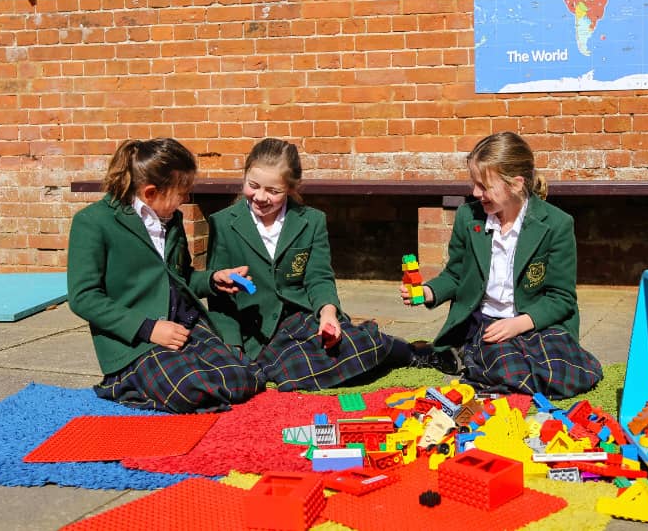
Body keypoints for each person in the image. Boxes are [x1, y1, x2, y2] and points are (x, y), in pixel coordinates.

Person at [205, 138, 452, 391]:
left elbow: (318, 277)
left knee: (349, 345)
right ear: (244, 177)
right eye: (253, 186)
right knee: (289, 376)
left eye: (273, 191)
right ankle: (361, 354)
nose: (260, 197)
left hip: (302, 319)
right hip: (254, 333)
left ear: (291, 188)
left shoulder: (311, 221)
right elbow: (220, 297)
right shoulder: (223, 223)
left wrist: (328, 313)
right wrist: (232, 347)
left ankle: (410, 353)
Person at [400, 131, 603, 399]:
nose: (475, 193)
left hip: (535, 324)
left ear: (516, 184)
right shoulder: (467, 216)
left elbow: (561, 298)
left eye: (484, 186)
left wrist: (520, 324)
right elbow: (455, 274)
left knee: (563, 372)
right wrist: (427, 292)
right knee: (506, 365)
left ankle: (472, 363)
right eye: (474, 184)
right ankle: (471, 355)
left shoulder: (556, 224)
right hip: (487, 323)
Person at [67, 138, 264, 413]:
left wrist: (214, 279)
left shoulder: (172, 219)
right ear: (150, 193)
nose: (185, 199)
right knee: (191, 387)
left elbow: (178, 277)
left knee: (244, 377)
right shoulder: (92, 223)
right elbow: (83, 298)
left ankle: (169, 376)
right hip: (138, 341)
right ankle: (122, 382)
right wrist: (150, 328)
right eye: (181, 192)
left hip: (184, 325)